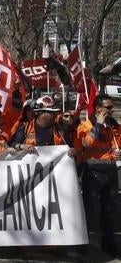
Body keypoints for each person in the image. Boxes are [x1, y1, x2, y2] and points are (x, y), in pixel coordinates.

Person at [77, 94, 121, 256]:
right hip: (92, 172)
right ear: (98, 109)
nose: (112, 109)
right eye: (108, 107)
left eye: (112, 107)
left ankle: (108, 243)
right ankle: (83, 243)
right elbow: (87, 144)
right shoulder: (86, 125)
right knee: (89, 209)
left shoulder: (114, 125)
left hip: (111, 171)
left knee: (109, 209)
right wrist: (99, 125)